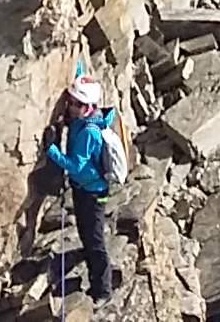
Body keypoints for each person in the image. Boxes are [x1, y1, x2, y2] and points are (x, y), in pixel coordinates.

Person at [40, 71, 130, 301]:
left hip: (91, 194)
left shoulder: (89, 132)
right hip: (86, 189)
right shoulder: (87, 119)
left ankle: (103, 290)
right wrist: (78, 69)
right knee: (87, 235)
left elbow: (75, 166)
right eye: (70, 102)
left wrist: (51, 149)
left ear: (88, 107)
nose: (70, 107)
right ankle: (95, 272)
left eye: (76, 104)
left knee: (94, 240)